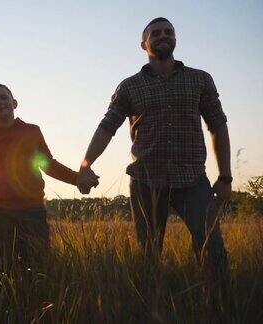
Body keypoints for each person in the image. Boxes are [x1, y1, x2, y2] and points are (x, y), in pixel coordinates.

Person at [76, 17, 232, 317]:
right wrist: (85, 165)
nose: (163, 36)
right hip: (147, 182)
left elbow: (218, 126)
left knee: (212, 249)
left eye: (169, 32)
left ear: (175, 40)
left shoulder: (200, 79)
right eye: (156, 33)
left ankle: (221, 310)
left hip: (193, 181)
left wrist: (225, 177)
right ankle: (151, 311)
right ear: (143, 44)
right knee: (149, 255)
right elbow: (107, 127)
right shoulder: (130, 86)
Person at [0, 84, 99, 273]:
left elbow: (47, 164)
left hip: (32, 210)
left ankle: (38, 300)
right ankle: (5, 302)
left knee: (38, 264)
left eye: (3, 97)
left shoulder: (31, 132)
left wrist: (77, 179)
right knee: (1, 268)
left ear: (14, 102)